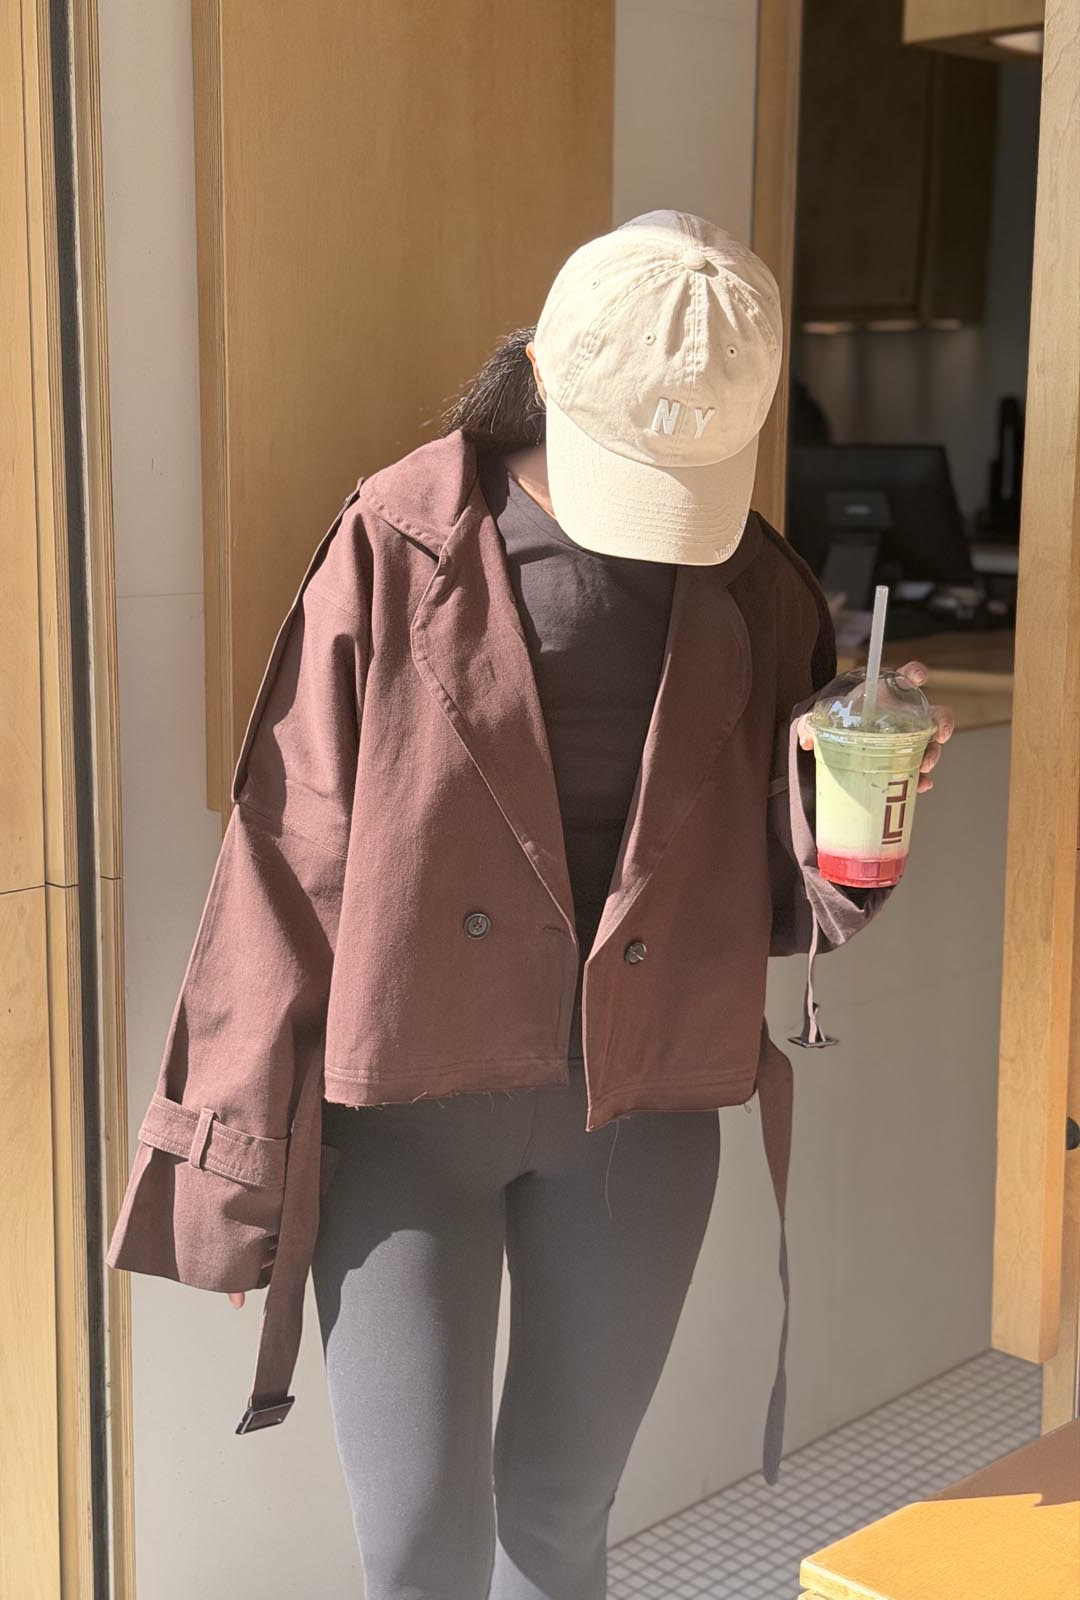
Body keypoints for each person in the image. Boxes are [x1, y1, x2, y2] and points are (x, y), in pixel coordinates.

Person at [106, 212, 954, 1600]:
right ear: (542, 371)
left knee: (559, 1524)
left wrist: (862, 810)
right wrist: (231, 1151)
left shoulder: (756, 585)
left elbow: (789, 908)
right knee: (418, 1549)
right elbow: (286, 851)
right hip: (407, 1109)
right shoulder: (399, 542)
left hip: (643, 1109)